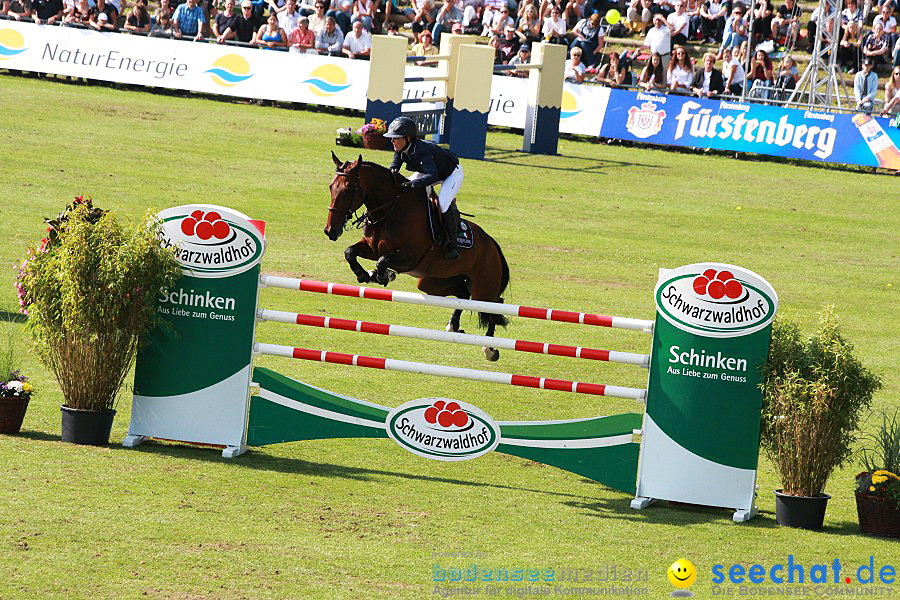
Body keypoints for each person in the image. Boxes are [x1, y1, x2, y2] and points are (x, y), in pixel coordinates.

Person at [384, 116, 465, 260]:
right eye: (392, 138)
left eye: (396, 138)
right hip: (430, 171)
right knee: (406, 192)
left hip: (451, 173)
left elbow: (432, 176)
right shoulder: (400, 149)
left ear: (408, 138)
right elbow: (393, 170)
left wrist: (413, 184)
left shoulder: (422, 150)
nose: (392, 141)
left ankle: (452, 244)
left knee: (442, 203)